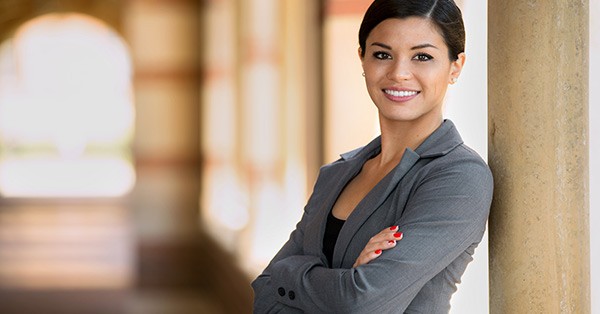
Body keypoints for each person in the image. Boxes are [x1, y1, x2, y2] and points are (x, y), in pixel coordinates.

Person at [251, 0, 493, 312]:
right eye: (382, 54)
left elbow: (361, 302)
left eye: (422, 56)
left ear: (455, 66)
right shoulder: (336, 174)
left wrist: (294, 274)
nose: (399, 73)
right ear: (362, 59)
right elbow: (263, 291)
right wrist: (346, 279)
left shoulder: (459, 177)